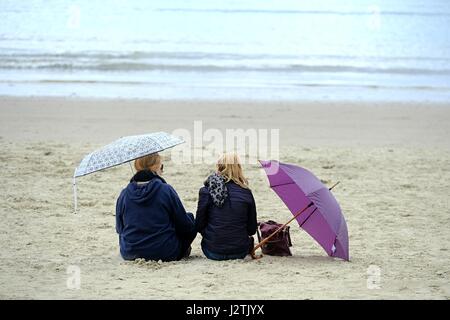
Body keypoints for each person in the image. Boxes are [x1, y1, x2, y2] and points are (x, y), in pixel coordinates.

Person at [115, 153, 196, 261]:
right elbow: (184, 224)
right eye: (162, 167)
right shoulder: (165, 190)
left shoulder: (124, 194)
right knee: (190, 219)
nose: (162, 171)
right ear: (156, 168)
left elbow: (119, 228)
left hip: (130, 252)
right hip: (165, 252)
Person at [196, 152, 257, 260]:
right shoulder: (246, 192)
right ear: (238, 168)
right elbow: (252, 229)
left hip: (212, 250)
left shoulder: (206, 191)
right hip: (239, 251)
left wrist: (212, 233)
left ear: (219, 167)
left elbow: (199, 225)